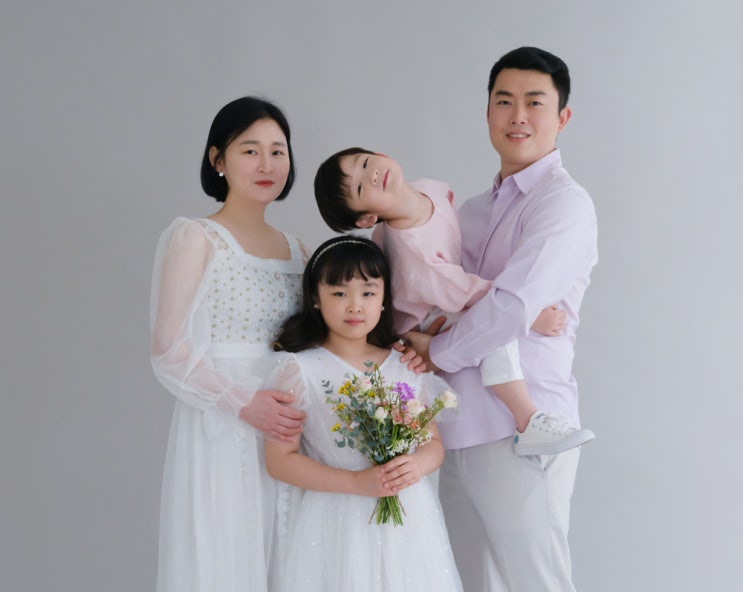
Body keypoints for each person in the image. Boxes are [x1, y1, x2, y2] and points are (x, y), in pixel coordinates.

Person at [403, 47, 599, 591]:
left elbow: (512, 306)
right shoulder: (468, 212)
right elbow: (441, 300)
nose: (518, 116)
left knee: (537, 581)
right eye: (504, 101)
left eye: (535, 102)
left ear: (562, 116)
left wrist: (438, 351)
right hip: (455, 423)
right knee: (466, 581)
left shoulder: (564, 204)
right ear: (488, 111)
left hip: (523, 428)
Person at [314, 148, 594, 456]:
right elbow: (462, 291)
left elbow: (445, 204)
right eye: (360, 187)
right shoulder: (416, 255)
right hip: (424, 313)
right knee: (494, 332)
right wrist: (534, 316)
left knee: (492, 321)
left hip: (444, 292)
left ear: (379, 154)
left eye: (366, 163)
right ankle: (528, 419)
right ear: (367, 217)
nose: (372, 175)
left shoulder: (426, 189)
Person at [149, 96, 310, 592]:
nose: (267, 165)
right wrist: (242, 404)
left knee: (289, 557)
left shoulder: (301, 250)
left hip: (288, 430)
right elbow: (169, 350)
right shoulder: (196, 237)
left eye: (278, 151)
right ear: (218, 159)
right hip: (222, 426)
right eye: (250, 150)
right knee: (223, 557)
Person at [264, 236, 463, 592]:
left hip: (409, 517)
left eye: (368, 292)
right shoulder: (298, 370)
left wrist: (417, 464)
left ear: (384, 299)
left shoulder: (405, 365)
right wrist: (356, 483)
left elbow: (433, 442)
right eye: (339, 293)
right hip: (336, 517)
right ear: (315, 298)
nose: (355, 306)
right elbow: (280, 461)